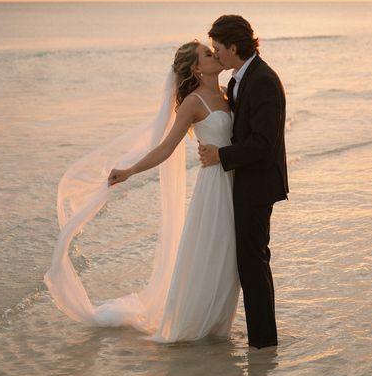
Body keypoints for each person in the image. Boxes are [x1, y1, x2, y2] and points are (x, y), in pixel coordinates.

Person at [45, 40, 239, 343]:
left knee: (230, 259)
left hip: (235, 182)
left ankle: (218, 327)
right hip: (213, 187)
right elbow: (165, 147)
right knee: (213, 254)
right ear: (196, 68)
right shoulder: (193, 102)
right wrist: (130, 170)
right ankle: (192, 328)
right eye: (206, 53)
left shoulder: (229, 95)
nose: (214, 54)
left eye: (213, 50)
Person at [199, 15, 288, 349]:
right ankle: (260, 338)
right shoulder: (241, 77)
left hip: (257, 184)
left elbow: (264, 142)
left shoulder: (262, 80)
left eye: (217, 48)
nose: (215, 54)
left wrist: (221, 156)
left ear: (233, 47)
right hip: (244, 180)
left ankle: (263, 345)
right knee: (248, 261)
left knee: (253, 262)